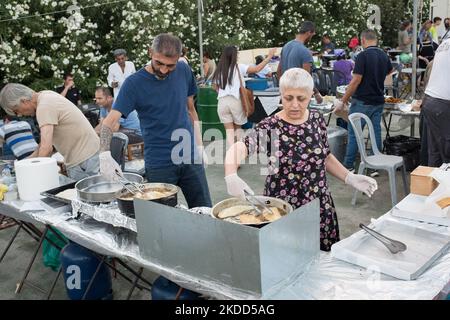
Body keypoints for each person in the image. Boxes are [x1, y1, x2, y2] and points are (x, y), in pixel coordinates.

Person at [224, 68, 377, 251]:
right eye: (288, 98)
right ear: (281, 95)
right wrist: (230, 174)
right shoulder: (271, 126)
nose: (295, 105)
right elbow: (240, 147)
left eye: (301, 98)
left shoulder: (316, 119)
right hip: (283, 210)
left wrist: (348, 177)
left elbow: (325, 157)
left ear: (310, 95)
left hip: (319, 207)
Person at [99, 33, 211, 208]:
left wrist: (199, 145)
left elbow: (191, 109)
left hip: (189, 156)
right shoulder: (133, 84)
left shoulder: (183, 70)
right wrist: (104, 154)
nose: (164, 70)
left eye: (170, 65)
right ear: (150, 52)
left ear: (179, 58)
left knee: (205, 210)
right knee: (162, 218)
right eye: (159, 63)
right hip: (160, 162)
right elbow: (109, 122)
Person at [0, 84, 100, 180]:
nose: (19, 115)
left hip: (84, 160)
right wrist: (25, 162)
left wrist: (31, 174)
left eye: (17, 110)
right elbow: (43, 145)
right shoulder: (46, 96)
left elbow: (46, 148)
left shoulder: (44, 106)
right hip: (87, 156)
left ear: (24, 101)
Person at [336, 30, 393, 172]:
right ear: (376, 40)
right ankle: (375, 167)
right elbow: (389, 73)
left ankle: (349, 166)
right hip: (378, 100)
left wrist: (343, 100)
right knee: (375, 132)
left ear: (363, 40)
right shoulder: (384, 55)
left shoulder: (362, 56)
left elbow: (356, 80)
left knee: (354, 133)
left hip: (362, 100)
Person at [212, 46, 275, 149]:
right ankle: (237, 154)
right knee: (238, 130)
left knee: (229, 132)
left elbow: (214, 86)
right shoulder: (239, 67)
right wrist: (269, 57)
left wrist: (224, 91)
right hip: (235, 100)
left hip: (222, 102)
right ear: (235, 56)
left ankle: (231, 156)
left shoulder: (219, 69)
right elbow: (257, 69)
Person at [277, 21, 323, 104]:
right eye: (312, 35)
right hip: (299, 96)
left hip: (286, 94)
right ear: (309, 32)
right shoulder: (305, 51)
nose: (311, 37)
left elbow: (279, 71)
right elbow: (306, 78)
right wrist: (316, 94)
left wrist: (282, 89)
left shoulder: (286, 46)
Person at [421, 38, 450, 166]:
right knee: (446, 154)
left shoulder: (445, 43)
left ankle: (433, 184)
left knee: (435, 152)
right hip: (442, 104)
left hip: (430, 101)